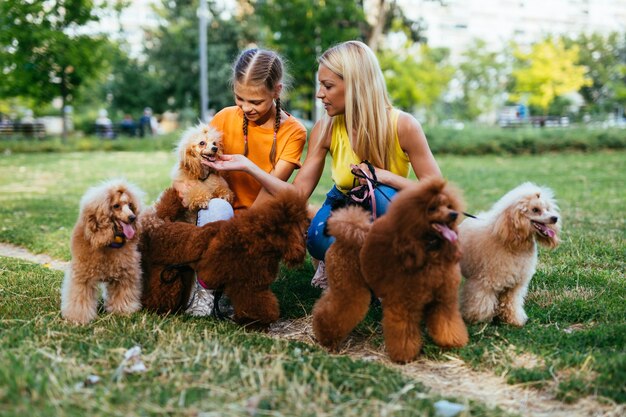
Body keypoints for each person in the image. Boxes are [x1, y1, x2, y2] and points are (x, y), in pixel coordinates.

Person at [203, 40, 442, 287]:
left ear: (356, 86)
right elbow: (297, 194)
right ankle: (361, 271)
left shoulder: (403, 125)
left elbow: (438, 193)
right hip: (344, 205)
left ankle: (394, 269)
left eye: (327, 86)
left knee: (382, 196)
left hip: (388, 209)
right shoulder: (326, 128)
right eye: (320, 85)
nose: (319, 94)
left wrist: (386, 177)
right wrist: (247, 165)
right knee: (317, 238)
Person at [179, 48, 307, 315]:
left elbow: (275, 191)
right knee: (217, 209)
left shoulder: (293, 131)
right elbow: (195, 168)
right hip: (221, 210)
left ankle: (230, 282)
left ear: (277, 91)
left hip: (259, 216)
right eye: (240, 98)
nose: (247, 107)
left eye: (256, 101)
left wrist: (248, 166)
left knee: (246, 235)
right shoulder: (225, 118)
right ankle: (207, 288)